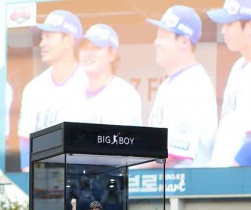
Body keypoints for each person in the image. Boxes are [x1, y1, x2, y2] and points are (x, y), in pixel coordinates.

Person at [147, 6, 218, 168]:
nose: (156, 43)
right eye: (157, 36)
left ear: (184, 42)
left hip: (188, 188)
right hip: (164, 187)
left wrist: (124, 169)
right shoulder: (169, 84)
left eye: (163, 36)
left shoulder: (193, 84)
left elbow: (172, 155)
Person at [17, 10, 87, 172]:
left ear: (69, 40)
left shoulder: (89, 83)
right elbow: (25, 142)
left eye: (49, 37)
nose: (42, 43)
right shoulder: (34, 89)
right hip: (44, 183)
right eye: (42, 37)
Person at [207, 0, 251, 167]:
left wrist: (234, 168)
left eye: (230, 24)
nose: (223, 30)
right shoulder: (237, 66)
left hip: (242, 179)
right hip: (225, 174)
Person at [76, 24, 142, 126]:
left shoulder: (124, 94)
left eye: (96, 48)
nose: (88, 53)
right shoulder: (71, 92)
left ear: (111, 54)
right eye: (84, 48)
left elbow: (129, 139)